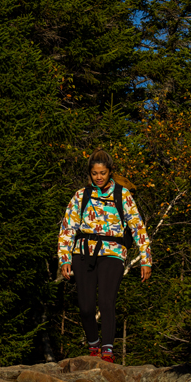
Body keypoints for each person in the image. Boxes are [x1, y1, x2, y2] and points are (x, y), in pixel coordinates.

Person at [58, 149, 152, 363]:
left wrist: (145, 258)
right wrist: (64, 258)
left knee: (106, 301)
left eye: (102, 172)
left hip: (113, 252)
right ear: (89, 173)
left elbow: (137, 226)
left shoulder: (122, 194)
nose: (98, 177)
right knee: (85, 306)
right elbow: (67, 228)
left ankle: (108, 350)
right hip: (82, 252)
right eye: (94, 173)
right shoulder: (81, 195)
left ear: (110, 172)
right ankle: (93, 344)